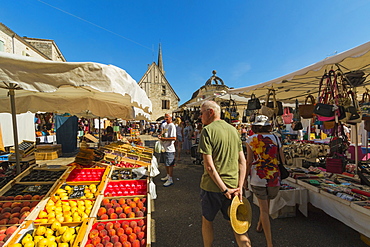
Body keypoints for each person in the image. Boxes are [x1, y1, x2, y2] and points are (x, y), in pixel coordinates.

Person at [198, 101, 251, 247]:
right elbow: (242, 161)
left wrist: (223, 189)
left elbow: (209, 166)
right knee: (238, 225)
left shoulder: (207, 131)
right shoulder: (234, 130)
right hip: (234, 186)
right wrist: (240, 186)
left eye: (201, 113)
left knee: (207, 221)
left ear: (210, 112)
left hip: (212, 187)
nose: (200, 116)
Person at [245, 115, 286, 247]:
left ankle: (269, 243)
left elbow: (249, 161)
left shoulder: (251, 139)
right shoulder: (276, 138)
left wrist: (245, 178)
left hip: (258, 177)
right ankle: (259, 226)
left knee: (263, 209)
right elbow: (282, 159)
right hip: (274, 177)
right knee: (266, 206)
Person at [159, 113, 177, 187]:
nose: (166, 118)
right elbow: (164, 134)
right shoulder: (166, 125)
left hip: (170, 149)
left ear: (171, 118)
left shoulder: (172, 126)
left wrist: (164, 139)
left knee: (170, 164)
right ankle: (167, 175)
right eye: (165, 117)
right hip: (164, 148)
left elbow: (174, 138)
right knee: (166, 163)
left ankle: (170, 179)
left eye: (167, 117)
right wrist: (160, 136)